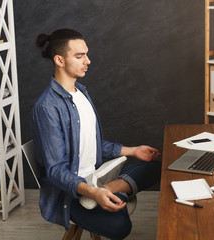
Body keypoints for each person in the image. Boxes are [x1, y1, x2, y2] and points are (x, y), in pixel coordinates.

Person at [31, 28, 161, 240]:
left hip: (96, 175)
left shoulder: (81, 92)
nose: (88, 61)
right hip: (71, 193)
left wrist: (134, 151)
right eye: (79, 56)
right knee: (120, 227)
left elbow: (92, 144)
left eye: (86, 54)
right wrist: (92, 193)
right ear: (59, 60)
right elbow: (55, 170)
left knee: (156, 167)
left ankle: (109, 187)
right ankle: (107, 191)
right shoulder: (47, 107)